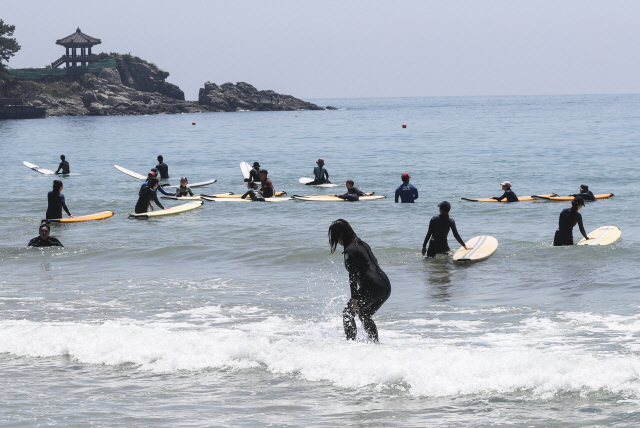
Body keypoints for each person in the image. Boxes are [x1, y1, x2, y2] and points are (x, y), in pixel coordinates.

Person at [328, 219, 391, 342]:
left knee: (347, 313)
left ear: (340, 235)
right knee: (364, 314)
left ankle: (350, 344)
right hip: (385, 286)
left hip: (372, 286)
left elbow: (352, 276)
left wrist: (354, 298)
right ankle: (375, 344)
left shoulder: (350, 251)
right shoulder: (362, 244)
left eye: (335, 237)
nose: (337, 241)